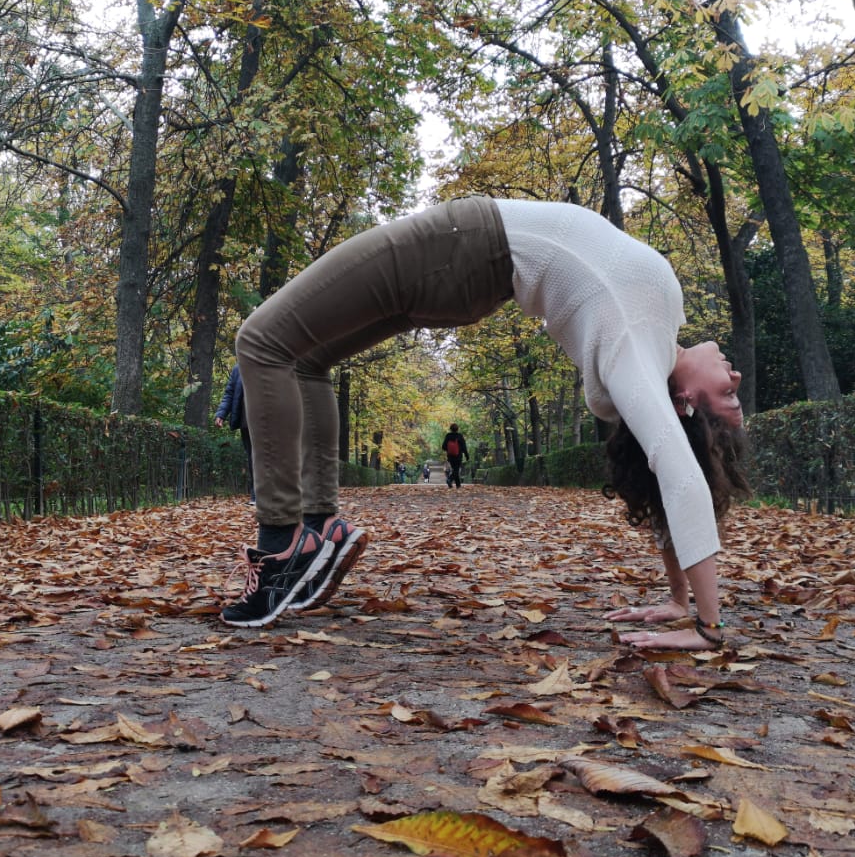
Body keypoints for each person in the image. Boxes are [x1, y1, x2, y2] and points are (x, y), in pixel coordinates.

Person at [221, 197, 749, 650]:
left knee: (261, 341)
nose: (735, 372)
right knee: (309, 359)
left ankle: (280, 546)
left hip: (464, 246)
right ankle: (317, 530)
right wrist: (679, 601)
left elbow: (678, 473)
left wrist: (708, 626)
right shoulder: (658, 334)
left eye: (726, 393)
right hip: (472, 269)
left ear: (684, 399)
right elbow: (667, 473)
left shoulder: (638, 350)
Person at [213, 363, 253, 499]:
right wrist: (221, 414)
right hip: (247, 421)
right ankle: (256, 496)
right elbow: (230, 393)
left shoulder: (272, 361)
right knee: (253, 458)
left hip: (271, 421)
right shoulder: (239, 368)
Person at [441, 424, 468, 488]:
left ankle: (458, 485)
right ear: (457, 429)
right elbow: (464, 447)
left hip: (450, 456)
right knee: (456, 470)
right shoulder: (459, 436)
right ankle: (450, 480)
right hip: (458, 456)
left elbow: (443, 447)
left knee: (455, 469)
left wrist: (449, 450)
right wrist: (466, 455)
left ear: (450, 429)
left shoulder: (448, 436)